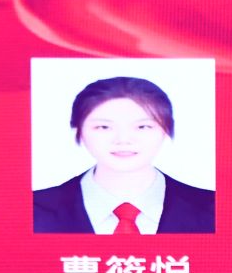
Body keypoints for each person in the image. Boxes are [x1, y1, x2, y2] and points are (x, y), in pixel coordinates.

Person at [33, 75, 216, 233]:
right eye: (103, 127)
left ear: (165, 130)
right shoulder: (34, 208)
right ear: (78, 131)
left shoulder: (213, 207)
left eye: (143, 126)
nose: (123, 140)